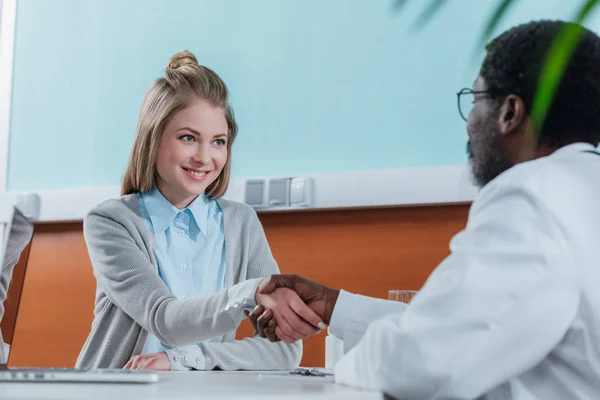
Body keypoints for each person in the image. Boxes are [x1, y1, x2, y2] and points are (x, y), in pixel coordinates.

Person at [250, 20, 600, 399]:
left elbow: (421, 366)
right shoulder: (582, 189)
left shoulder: (531, 197)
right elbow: (463, 327)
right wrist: (337, 306)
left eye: (476, 100)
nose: (468, 125)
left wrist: (344, 366)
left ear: (509, 112)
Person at [76, 50, 324, 371]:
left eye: (218, 142)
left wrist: (184, 359)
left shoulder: (240, 223)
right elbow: (163, 319)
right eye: (189, 138)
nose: (204, 157)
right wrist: (251, 293)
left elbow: (284, 350)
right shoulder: (111, 222)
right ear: (153, 138)